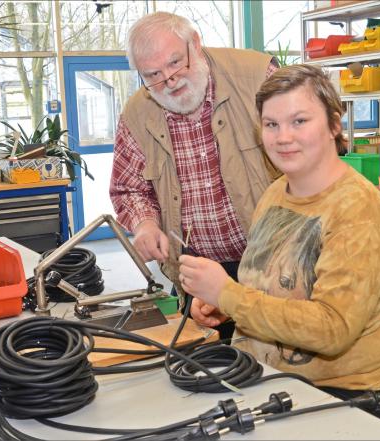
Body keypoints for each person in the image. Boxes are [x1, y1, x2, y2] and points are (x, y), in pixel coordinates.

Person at [178, 64, 380, 428]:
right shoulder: (275, 193)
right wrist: (224, 302)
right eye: (271, 124)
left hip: (347, 397)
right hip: (267, 381)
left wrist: (231, 295)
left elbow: (332, 329)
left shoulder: (358, 210)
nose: (283, 137)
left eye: (299, 121)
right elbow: (271, 288)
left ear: (334, 124)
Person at [109, 11, 280, 339]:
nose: (169, 81)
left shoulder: (257, 77)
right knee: (211, 370)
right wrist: (145, 225)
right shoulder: (137, 113)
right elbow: (128, 188)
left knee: (279, 367)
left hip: (273, 265)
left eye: (175, 63)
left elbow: (306, 153)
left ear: (196, 44)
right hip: (197, 274)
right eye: (153, 75)